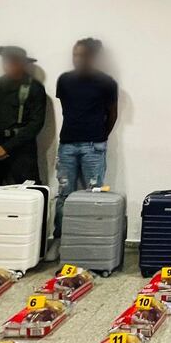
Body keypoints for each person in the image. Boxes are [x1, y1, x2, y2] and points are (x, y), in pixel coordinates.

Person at [55, 38, 118, 239]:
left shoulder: (107, 83)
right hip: (67, 145)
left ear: (93, 57)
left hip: (94, 146)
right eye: (75, 55)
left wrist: (99, 136)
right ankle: (61, 239)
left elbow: (112, 114)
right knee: (64, 195)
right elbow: (66, 109)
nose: (77, 59)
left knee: (94, 195)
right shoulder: (64, 80)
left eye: (82, 55)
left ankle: (89, 241)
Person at [0, 45, 48, 192]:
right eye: (6, 61)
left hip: (21, 148)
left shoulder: (34, 87)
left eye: (14, 61)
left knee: (30, 192)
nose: (9, 65)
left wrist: (6, 148)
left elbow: (36, 123)